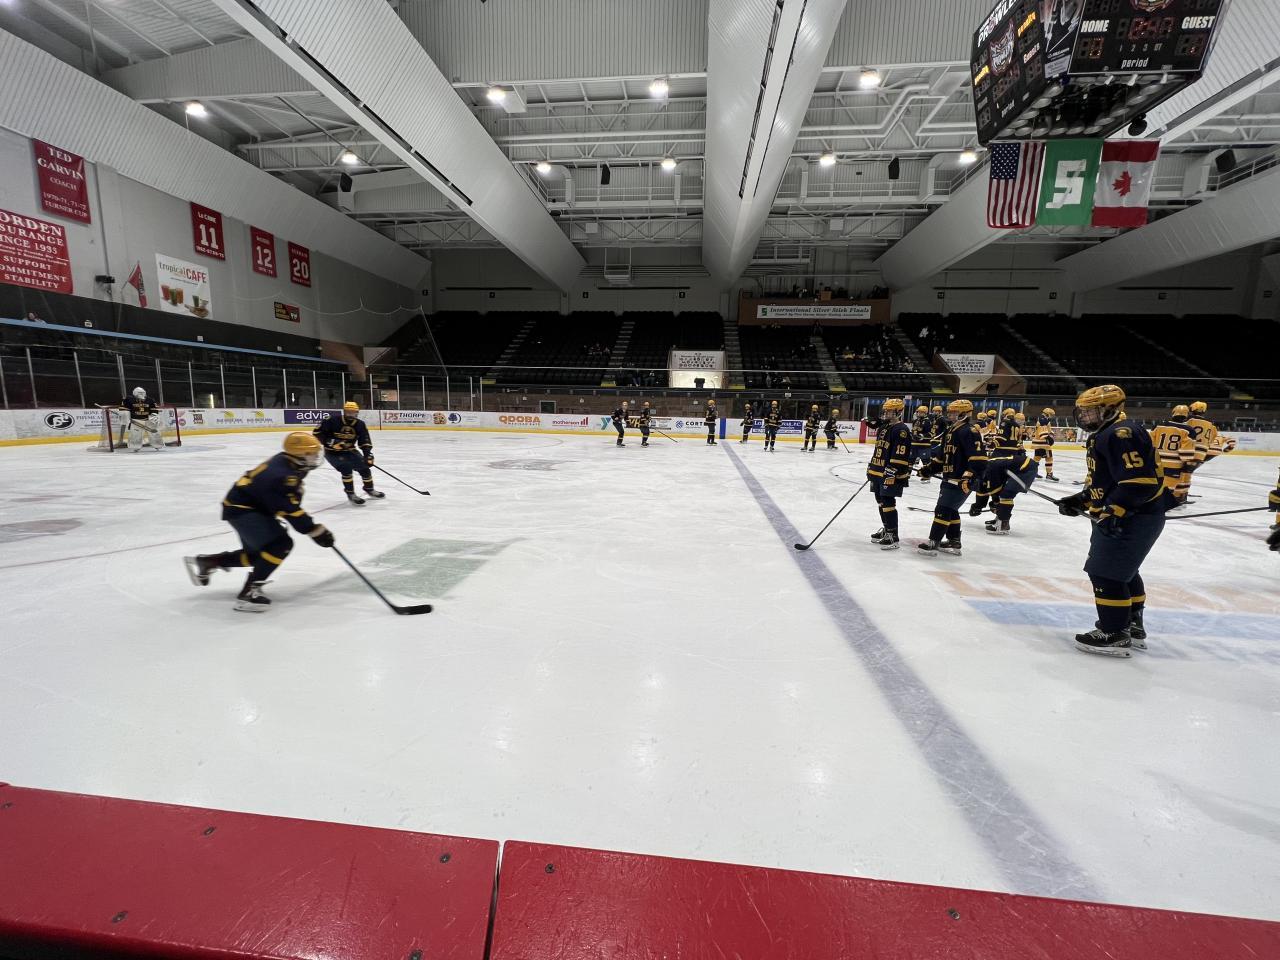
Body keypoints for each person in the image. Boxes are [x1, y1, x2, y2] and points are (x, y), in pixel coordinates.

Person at [1056, 384, 1165, 657]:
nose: (1085, 416)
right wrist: (1081, 500)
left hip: (1133, 516)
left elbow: (1139, 482)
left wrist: (1115, 510)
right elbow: (1107, 482)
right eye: (1083, 411)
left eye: (1091, 411)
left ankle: (1114, 632)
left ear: (1110, 409)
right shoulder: (1108, 433)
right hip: (1133, 514)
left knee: (1105, 572)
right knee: (1125, 570)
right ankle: (1131, 624)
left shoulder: (1120, 434)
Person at [184, 432, 334, 612]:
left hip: (245, 507)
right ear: (299, 453)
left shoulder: (290, 463)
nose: (316, 457)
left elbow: (282, 501)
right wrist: (314, 530)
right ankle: (248, 594)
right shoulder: (281, 475)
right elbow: (288, 508)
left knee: (258, 556)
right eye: (312, 453)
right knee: (280, 545)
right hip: (243, 510)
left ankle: (209, 562)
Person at [916, 399, 986, 556]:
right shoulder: (950, 431)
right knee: (951, 510)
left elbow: (979, 459)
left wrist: (969, 477)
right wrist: (928, 470)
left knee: (943, 509)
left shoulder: (969, 431)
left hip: (961, 480)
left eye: (955, 412)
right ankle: (954, 541)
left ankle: (934, 542)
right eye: (951, 412)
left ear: (964, 414)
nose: (951, 415)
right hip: (950, 477)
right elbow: (942, 458)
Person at [314, 401, 384, 505]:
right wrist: (332, 442)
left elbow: (364, 440)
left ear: (357, 413)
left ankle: (369, 489)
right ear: (344, 411)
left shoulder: (360, 424)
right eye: (348, 412)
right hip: (332, 452)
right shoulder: (332, 420)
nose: (351, 415)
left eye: (353, 412)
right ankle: (350, 493)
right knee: (346, 469)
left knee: (365, 468)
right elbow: (317, 433)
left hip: (350, 450)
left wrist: (367, 454)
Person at [866, 398, 912, 550]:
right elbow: (879, 449)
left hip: (890, 473)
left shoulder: (901, 430)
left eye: (890, 411)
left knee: (888, 502)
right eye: (885, 410)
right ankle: (887, 529)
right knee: (880, 501)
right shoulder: (884, 427)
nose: (886, 413)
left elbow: (900, 454)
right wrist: (872, 467)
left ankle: (893, 536)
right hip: (878, 471)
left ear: (899, 412)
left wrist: (892, 470)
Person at [1150, 405, 1197, 507]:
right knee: (1168, 489)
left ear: (1173, 413)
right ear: (1186, 416)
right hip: (1174, 465)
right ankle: (1159, 506)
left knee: (1153, 485)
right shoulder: (1189, 430)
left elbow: (1149, 443)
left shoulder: (1158, 426)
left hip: (1156, 462)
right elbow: (1186, 453)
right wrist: (1187, 465)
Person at [120, 386, 165, 452]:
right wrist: (126, 418)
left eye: (142, 392)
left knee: (155, 433)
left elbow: (154, 409)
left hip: (148, 420)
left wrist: (154, 417)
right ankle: (135, 446)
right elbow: (124, 410)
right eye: (139, 393)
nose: (141, 394)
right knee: (135, 435)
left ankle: (158, 445)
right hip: (136, 420)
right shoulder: (128, 399)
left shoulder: (150, 400)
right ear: (135, 393)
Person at [1032, 407, 1059, 482]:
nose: (1051, 417)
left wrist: (1051, 434)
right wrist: (1049, 438)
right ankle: (1049, 474)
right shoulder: (1044, 420)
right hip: (1043, 443)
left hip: (1038, 442)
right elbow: (1043, 432)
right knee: (1049, 458)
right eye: (1051, 415)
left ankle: (1033, 472)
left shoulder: (1040, 419)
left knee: (1037, 458)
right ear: (1048, 414)